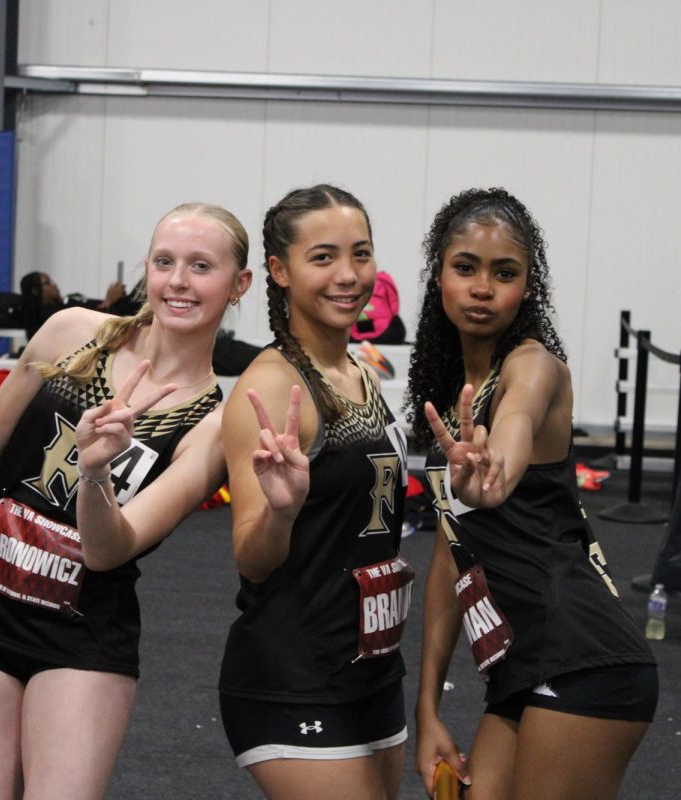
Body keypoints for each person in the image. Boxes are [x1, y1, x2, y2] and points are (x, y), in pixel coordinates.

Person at [0, 202, 252, 800]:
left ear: (239, 286)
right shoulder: (70, 331)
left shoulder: (215, 423)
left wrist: (96, 474)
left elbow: (112, 549)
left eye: (201, 266)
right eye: (164, 262)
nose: (178, 282)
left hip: (83, 636)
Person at [410, 188, 656, 799]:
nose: (482, 287)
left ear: (528, 286)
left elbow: (515, 423)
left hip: (585, 655)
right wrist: (428, 710)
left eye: (505, 272)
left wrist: (494, 474)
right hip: (522, 666)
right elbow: (448, 562)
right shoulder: (451, 393)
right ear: (438, 274)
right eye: (465, 267)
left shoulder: (533, 365)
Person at [219, 185, 411, 800]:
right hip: (292, 675)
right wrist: (281, 510)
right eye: (323, 257)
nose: (348, 275)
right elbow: (252, 557)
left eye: (361, 254)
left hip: (372, 667)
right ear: (280, 270)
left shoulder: (357, 370)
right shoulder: (276, 387)